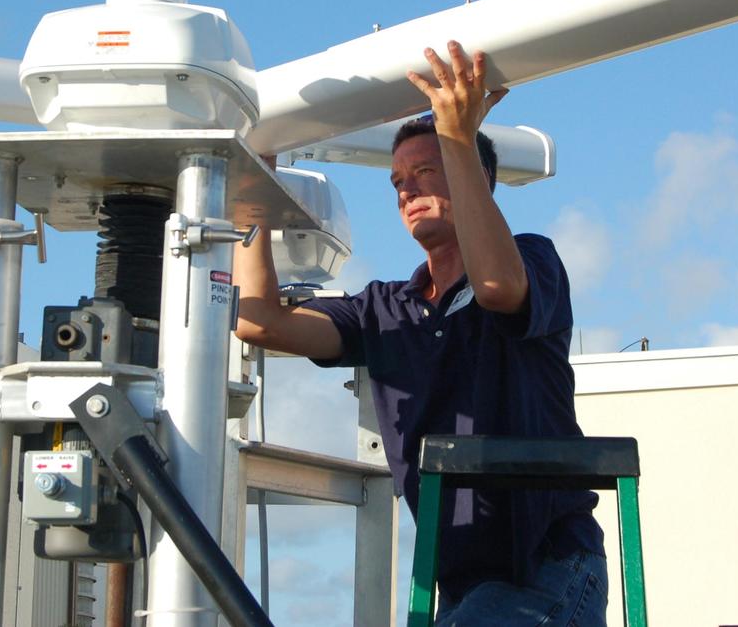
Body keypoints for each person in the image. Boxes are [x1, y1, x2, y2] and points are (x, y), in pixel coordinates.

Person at [234, 41, 607, 626]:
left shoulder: (531, 260)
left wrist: (458, 136)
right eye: (398, 181)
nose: (407, 189)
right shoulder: (383, 309)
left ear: (476, 176)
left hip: (549, 565)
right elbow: (259, 321)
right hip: (459, 584)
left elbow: (496, 288)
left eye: (426, 171)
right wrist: (253, 202)